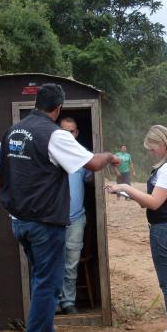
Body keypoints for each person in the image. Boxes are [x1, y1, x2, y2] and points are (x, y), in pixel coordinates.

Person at [0, 83, 119, 332]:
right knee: (48, 281)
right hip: (45, 223)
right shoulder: (54, 135)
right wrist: (110, 157)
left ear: (37, 104)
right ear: (57, 109)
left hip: (20, 221)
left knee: (43, 279)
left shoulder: (14, 131)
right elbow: (92, 163)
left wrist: (8, 195)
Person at [106, 125, 167, 332]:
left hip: (166, 229)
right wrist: (127, 193)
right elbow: (154, 200)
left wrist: (125, 186)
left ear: (164, 144)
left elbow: (154, 203)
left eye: (153, 148)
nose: (150, 153)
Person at [57, 117, 91, 315]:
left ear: (76, 133)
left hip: (76, 218)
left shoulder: (83, 156)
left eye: (72, 131)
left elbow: (91, 178)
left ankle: (68, 302)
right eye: (64, 131)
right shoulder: (49, 153)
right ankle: (53, 304)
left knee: (71, 264)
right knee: (52, 263)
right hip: (52, 220)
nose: (68, 135)